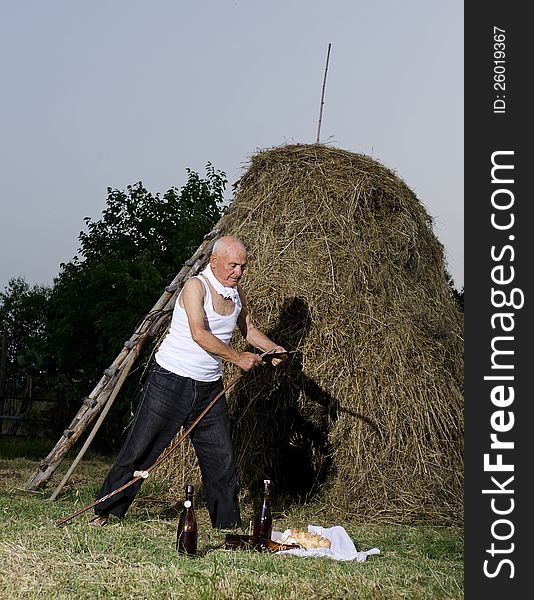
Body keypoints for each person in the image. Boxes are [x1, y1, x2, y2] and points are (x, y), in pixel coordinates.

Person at [89, 235, 287, 528]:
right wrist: (237, 358)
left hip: (209, 388)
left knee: (221, 458)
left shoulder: (237, 294)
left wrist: (272, 348)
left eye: (243, 266)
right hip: (170, 381)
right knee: (140, 449)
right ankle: (105, 512)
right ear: (214, 261)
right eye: (233, 266)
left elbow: (249, 329)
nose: (238, 272)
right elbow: (199, 333)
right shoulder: (196, 287)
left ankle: (228, 525)